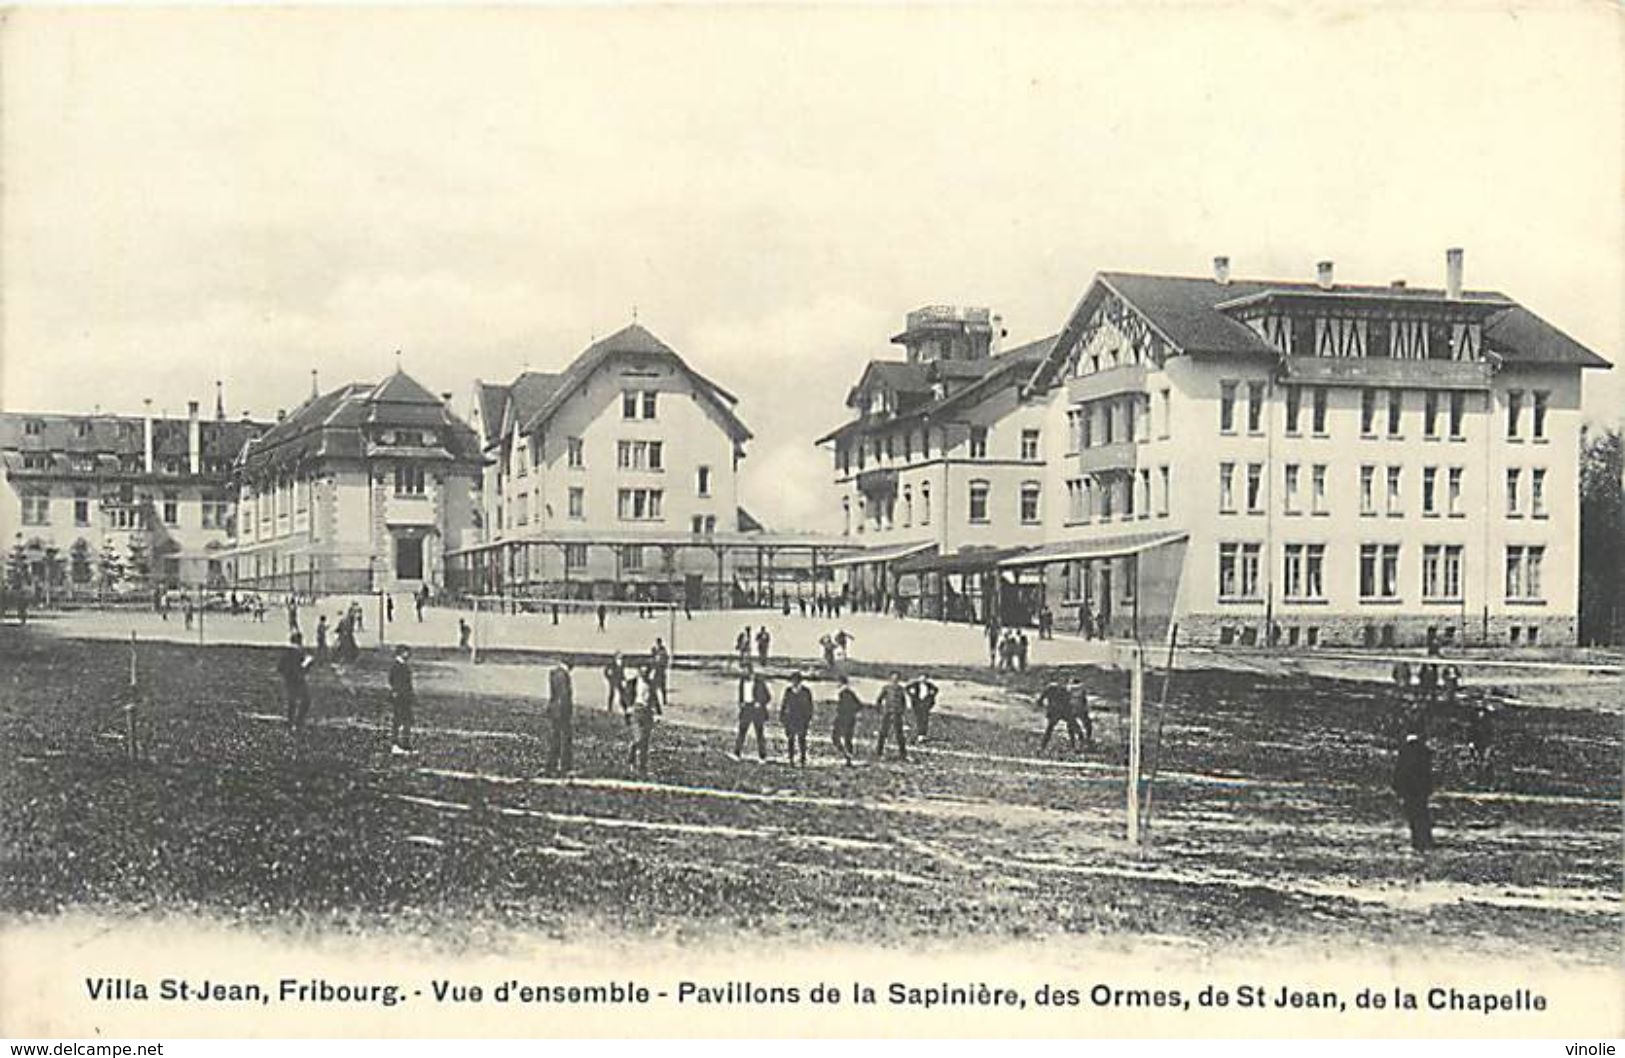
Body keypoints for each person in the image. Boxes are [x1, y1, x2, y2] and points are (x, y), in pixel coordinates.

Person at [1392, 726, 1434, 852]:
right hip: (1421, 789)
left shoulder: (1404, 751)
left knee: (1412, 814)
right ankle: (1426, 839)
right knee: (1423, 813)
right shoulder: (1425, 751)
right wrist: (1429, 788)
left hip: (1409, 789)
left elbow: (1399, 772)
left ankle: (1416, 839)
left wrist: (1398, 788)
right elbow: (1428, 773)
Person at [625, 666, 658, 776]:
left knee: (645, 741)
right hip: (636, 711)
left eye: (647, 672)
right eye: (643, 672)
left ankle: (642, 767)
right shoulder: (632, 683)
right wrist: (628, 707)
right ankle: (631, 758)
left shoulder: (651, 684)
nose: (645, 674)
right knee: (638, 738)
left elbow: (654, 698)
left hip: (647, 712)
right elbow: (625, 696)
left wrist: (657, 712)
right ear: (639, 672)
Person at [733, 663, 770, 762]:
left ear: (750, 671)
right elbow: (741, 695)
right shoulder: (742, 683)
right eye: (742, 671)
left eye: (745, 671)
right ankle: (737, 753)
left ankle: (762, 756)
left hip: (756, 710)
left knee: (759, 733)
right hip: (746, 709)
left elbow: (767, 697)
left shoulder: (759, 682)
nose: (743, 673)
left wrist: (759, 703)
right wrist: (741, 703)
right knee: (742, 731)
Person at [278, 631, 314, 730]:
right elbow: (302, 667)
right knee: (306, 701)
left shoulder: (285, 652)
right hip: (299, 680)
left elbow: (280, 668)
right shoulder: (299, 652)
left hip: (288, 680)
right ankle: (299, 722)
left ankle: (290, 723)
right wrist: (307, 662)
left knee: (291, 701)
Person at [1039, 680, 1087, 752]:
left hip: (1057, 711)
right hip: (1063, 711)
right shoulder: (1065, 688)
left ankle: (1043, 747)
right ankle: (1077, 744)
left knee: (1051, 728)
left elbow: (1040, 701)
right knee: (1073, 726)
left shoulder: (1051, 688)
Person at [546, 658, 575, 776]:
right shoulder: (562, 675)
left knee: (557, 738)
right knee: (563, 739)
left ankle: (554, 765)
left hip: (555, 710)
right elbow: (563, 695)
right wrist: (567, 711)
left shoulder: (555, 673)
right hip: (561, 711)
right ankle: (562, 766)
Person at [780, 671, 814, 766]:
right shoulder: (788, 691)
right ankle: (791, 759)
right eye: (793, 681)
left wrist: (808, 718)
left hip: (802, 718)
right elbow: (784, 704)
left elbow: (810, 706)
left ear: (800, 681)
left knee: (801, 739)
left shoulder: (805, 692)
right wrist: (782, 716)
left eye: (796, 681)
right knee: (791, 739)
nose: (794, 682)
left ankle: (802, 758)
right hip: (791, 718)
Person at [875, 672, 909, 761]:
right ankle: (879, 752)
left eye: (897, 678)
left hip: (897, 714)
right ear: (890, 679)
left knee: (899, 734)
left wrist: (902, 712)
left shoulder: (901, 689)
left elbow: (903, 702)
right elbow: (879, 700)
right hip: (887, 713)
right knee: (883, 733)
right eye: (893, 678)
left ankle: (903, 754)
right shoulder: (886, 688)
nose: (895, 680)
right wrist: (880, 711)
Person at [388, 645, 416, 755]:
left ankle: (405, 744)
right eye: (406, 652)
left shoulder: (403, 666)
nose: (408, 655)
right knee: (398, 720)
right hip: (400, 697)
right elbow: (393, 681)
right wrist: (397, 692)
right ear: (400, 653)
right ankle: (395, 744)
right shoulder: (397, 666)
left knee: (407, 721)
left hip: (405, 697)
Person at [832, 675, 863, 765]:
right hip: (848, 718)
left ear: (841, 682)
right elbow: (859, 705)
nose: (836, 684)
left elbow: (855, 705)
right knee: (847, 738)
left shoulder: (845, 693)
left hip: (844, 718)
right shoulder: (848, 692)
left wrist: (848, 714)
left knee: (837, 738)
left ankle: (847, 756)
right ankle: (848, 756)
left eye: (838, 682)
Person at [905, 674, 939, 742]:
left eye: (924, 678)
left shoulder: (929, 685)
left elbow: (936, 689)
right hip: (917, 704)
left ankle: (922, 735)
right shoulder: (915, 684)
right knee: (918, 719)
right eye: (921, 678)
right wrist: (912, 696)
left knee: (925, 719)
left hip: (925, 704)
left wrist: (931, 697)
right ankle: (919, 734)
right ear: (919, 678)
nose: (923, 679)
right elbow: (907, 688)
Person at [1467, 699, 1495, 772]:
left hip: (1485, 740)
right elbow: (1471, 729)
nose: (1479, 705)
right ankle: (1477, 769)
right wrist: (1470, 741)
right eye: (1478, 704)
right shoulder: (1472, 715)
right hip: (1476, 739)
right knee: (1475, 756)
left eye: (1481, 704)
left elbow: (1491, 730)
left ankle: (1484, 771)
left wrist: (1490, 742)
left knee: (1485, 756)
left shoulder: (1489, 716)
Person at [650, 638, 671, 707]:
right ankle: (654, 701)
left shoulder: (663, 651)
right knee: (654, 687)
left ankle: (664, 701)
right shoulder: (655, 650)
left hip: (661, 671)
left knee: (662, 687)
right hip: (657, 671)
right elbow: (653, 660)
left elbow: (666, 660)